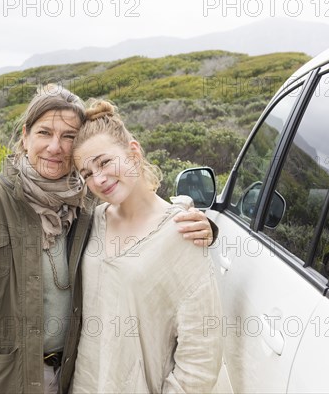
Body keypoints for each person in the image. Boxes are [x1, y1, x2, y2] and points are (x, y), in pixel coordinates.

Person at [0, 85, 218, 394]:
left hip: (72, 378)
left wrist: (199, 226)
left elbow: (140, 219)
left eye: (69, 136)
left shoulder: (86, 207)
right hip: (8, 381)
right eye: (44, 132)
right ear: (25, 136)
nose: (55, 147)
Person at [69, 99, 223, 393]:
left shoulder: (183, 232)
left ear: (133, 152)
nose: (98, 179)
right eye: (87, 173)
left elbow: (201, 355)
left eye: (104, 162)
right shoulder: (91, 222)